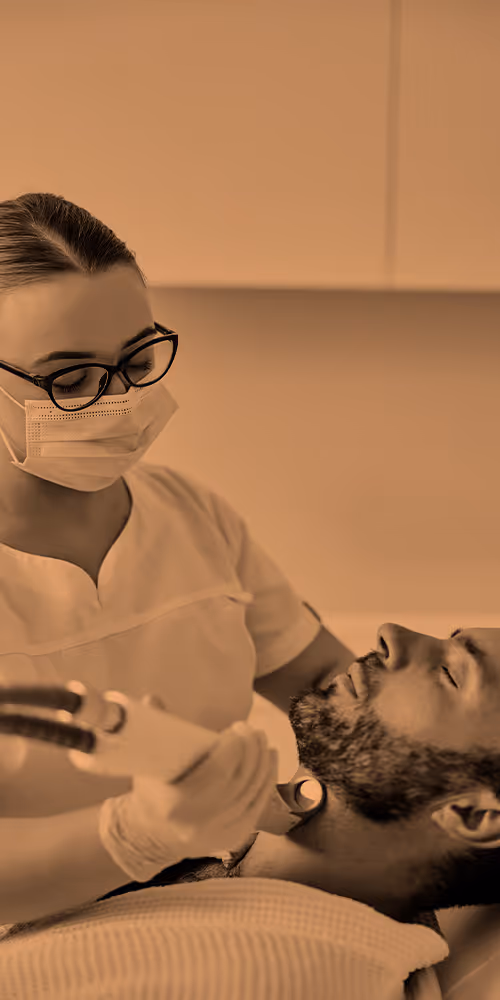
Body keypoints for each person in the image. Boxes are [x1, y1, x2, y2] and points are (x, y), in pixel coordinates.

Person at [0, 192, 355, 925]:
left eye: (137, 358)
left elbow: (334, 695)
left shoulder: (191, 517)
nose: (119, 399)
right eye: (70, 380)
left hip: (222, 899)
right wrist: (135, 837)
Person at [6, 621, 500, 999]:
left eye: (452, 673)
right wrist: (137, 835)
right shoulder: (212, 862)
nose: (393, 632)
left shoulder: (276, 977)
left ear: (474, 816)